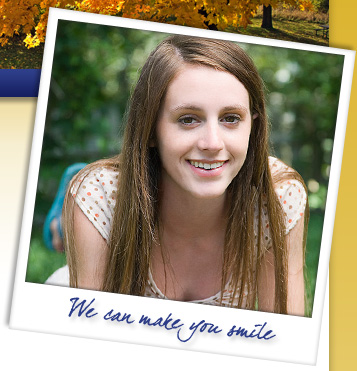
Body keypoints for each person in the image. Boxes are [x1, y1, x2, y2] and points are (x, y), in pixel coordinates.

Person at [46, 35, 308, 316]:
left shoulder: (279, 196)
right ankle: (63, 210)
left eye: (230, 118)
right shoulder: (99, 195)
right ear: (150, 130)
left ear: (252, 127)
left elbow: (284, 339)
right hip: (108, 210)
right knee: (66, 231)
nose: (212, 143)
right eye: (188, 119)